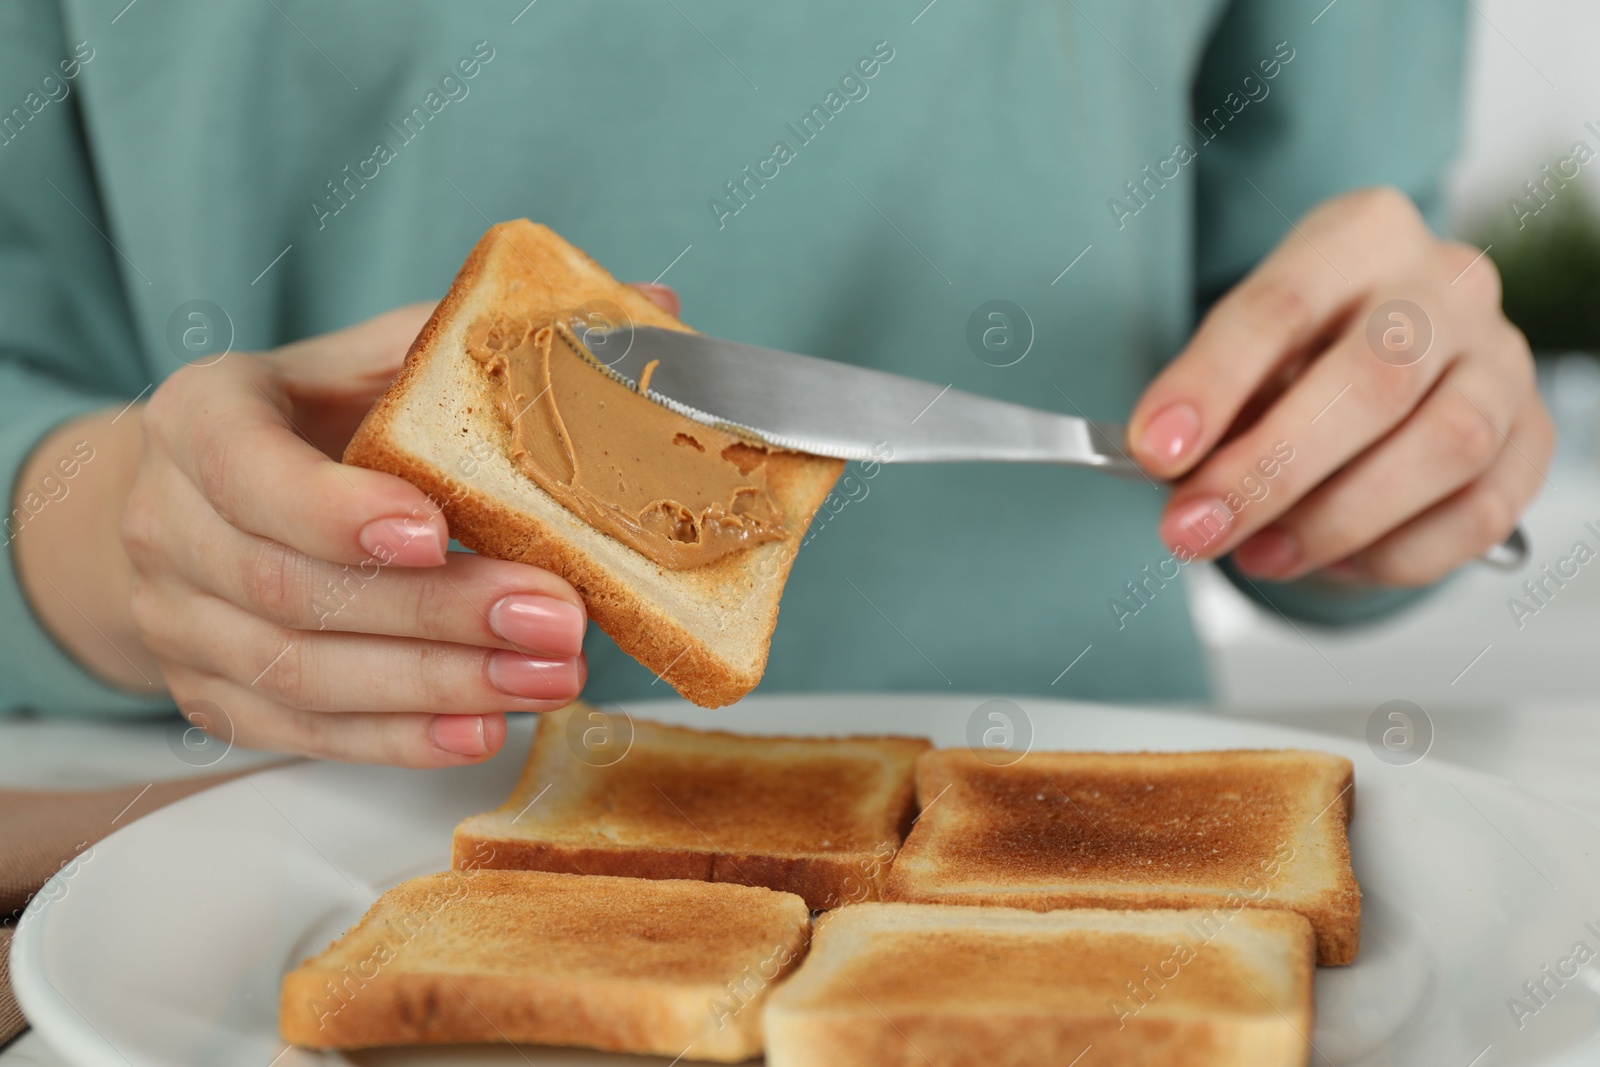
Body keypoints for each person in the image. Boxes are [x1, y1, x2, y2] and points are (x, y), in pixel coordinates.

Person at [0, 1, 1550, 766]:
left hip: (1073, 791)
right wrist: (122, 550)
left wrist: (1397, 453)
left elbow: (1333, 320)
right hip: (252, 858)